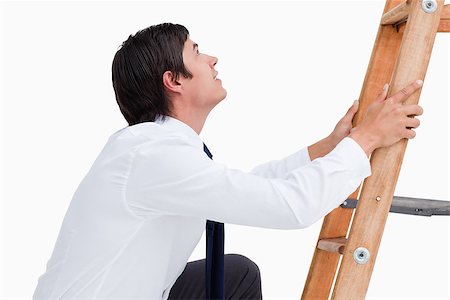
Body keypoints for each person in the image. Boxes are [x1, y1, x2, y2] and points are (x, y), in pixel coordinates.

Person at [33, 23, 423, 300]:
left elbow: (241, 187)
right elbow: (289, 207)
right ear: (175, 81)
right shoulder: (152, 155)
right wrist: (367, 137)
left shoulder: (158, 150)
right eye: (197, 52)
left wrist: (331, 146)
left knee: (236, 274)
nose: (213, 58)